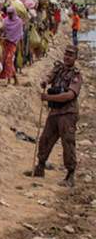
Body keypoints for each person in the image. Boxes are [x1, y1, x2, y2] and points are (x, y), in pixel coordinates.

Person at [30, 45, 82, 187]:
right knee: (45, 139)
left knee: (68, 143)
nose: (67, 57)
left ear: (75, 58)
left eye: (71, 55)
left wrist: (48, 98)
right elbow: (49, 75)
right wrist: (45, 81)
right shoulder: (59, 68)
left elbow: (69, 95)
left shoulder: (76, 75)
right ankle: (40, 167)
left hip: (68, 113)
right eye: (66, 54)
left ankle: (70, 175)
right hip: (55, 112)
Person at [0, 7, 23, 85]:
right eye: (8, 13)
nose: (9, 15)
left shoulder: (19, 22)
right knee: (5, 60)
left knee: (8, 60)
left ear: (14, 13)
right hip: (5, 42)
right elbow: (3, 30)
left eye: (11, 13)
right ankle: (14, 79)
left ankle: (9, 79)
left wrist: (20, 45)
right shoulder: (5, 21)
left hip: (13, 44)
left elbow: (20, 34)